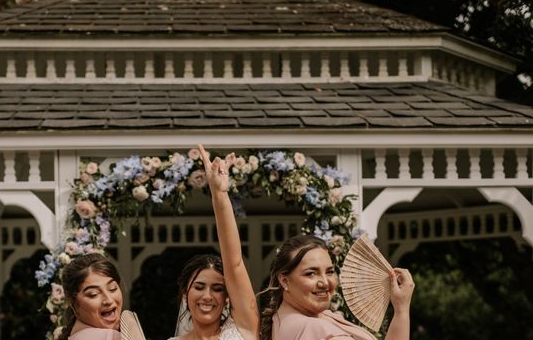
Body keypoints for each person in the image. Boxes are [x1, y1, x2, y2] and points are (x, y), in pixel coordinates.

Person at [168, 144, 260, 340]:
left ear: (227, 297)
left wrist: (219, 194)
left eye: (217, 289)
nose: (207, 296)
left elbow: (233, 262)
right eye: (199, 287)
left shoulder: (244, 327)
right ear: (186, 294)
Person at [260, 235, 414, 340]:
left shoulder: (285, 320)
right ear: (284, 281)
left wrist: (401, 309)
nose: (325, 282)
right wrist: (402, 310)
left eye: (329, 271)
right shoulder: (314, 328)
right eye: (311, 274)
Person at [59, 252, 124, 340]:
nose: (108, 300)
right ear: (72, 303)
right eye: (93, 294)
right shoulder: (113, 337)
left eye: (112, 289)